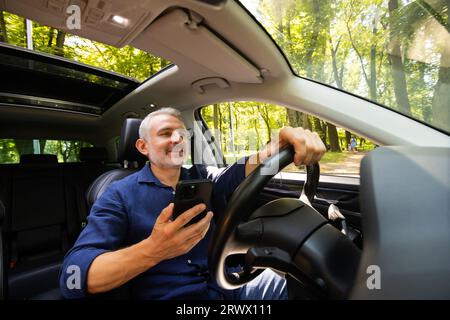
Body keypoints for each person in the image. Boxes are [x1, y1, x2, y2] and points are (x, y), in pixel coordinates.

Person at [59, 107, 326, 299]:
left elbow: (246, 169)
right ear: (142, 147)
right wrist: (154, 249)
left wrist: (278, 147)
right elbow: (72, 277)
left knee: (311, 284)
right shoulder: (117, 194)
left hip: (232, 283)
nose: (177, 139)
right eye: (166, 133)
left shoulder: (203, 177)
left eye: (182, 133)